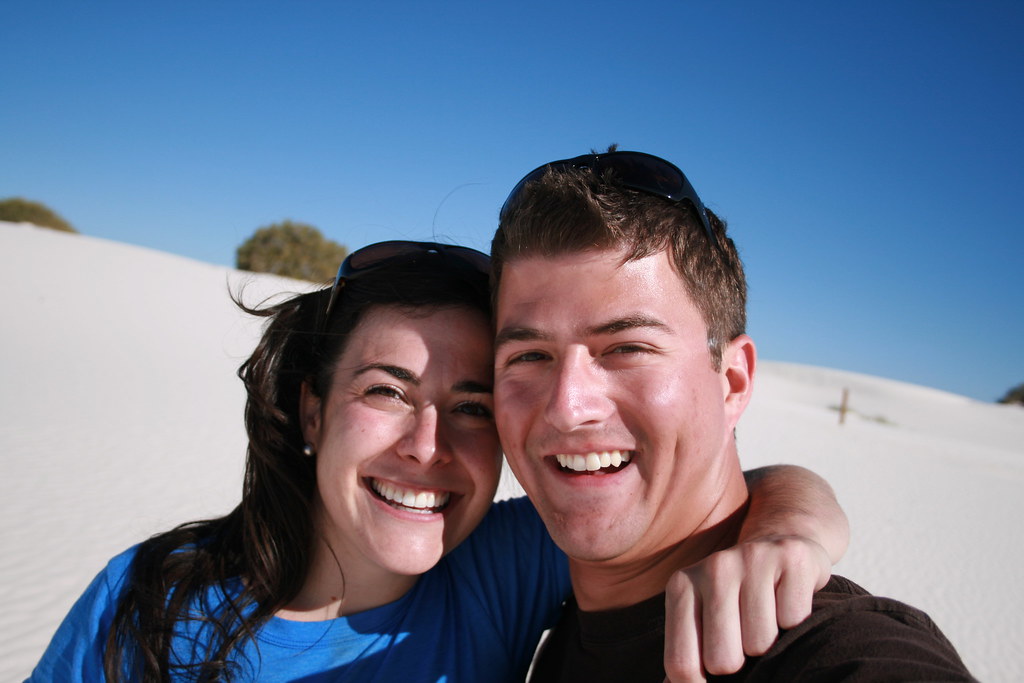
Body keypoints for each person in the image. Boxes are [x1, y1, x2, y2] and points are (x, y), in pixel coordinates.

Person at [30, 241, 844, 683]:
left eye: (472, 407)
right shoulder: (151, 595)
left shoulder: (501, 568)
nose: (428, 446)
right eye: (388, 390)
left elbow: (716, 486)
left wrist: (792, 530)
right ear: (313, 407)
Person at [491, 150, 977, 682]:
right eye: (529, 356)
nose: (567, 407)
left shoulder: (831, 649)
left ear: (733, 381)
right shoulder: (544, 609)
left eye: (627, 348)